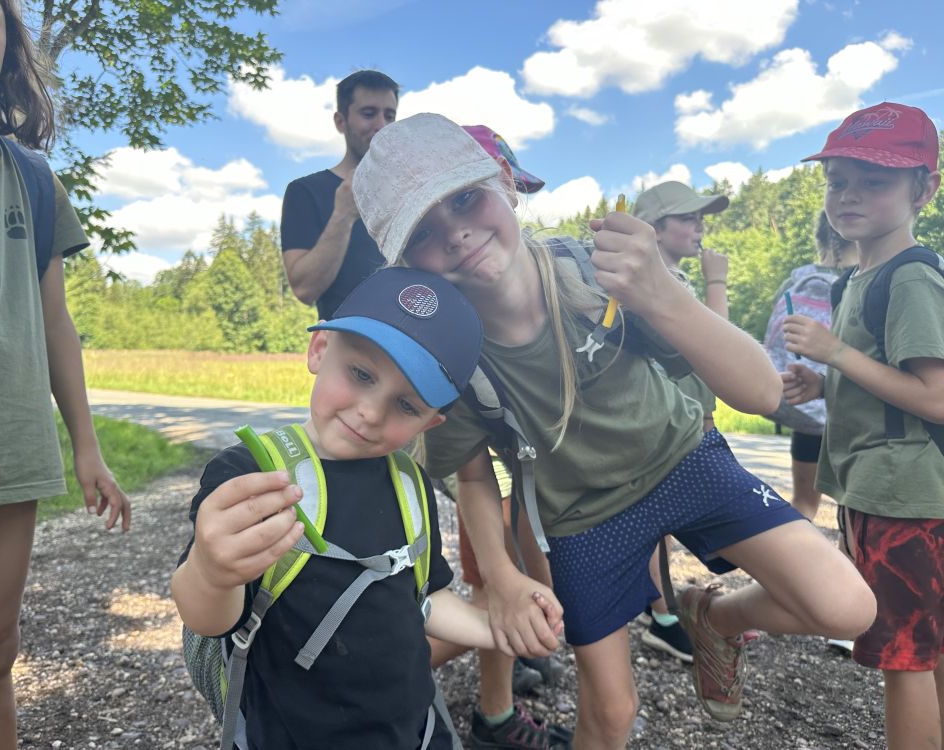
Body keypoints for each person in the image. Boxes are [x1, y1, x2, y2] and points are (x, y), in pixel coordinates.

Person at [352, 112, 876, 750]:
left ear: (505, 184)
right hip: (581, 519)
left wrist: (662, 293)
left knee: (847, 606)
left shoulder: (594, 272)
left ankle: (712, 617)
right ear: (407, 262)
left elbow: (762, 393)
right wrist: (504, 577)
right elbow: (473, 477)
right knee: (611, 715)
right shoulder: (452, 350)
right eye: (424, 232)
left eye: (465, 198)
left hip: (685, 459)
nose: (456, 232)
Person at [171, 267, 562, 749]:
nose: (371, 412)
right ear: (319, 350)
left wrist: (495, 629)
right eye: (360, 374)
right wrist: (211, 573)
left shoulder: (410, 485)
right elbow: (207, 619)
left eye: (406, 405)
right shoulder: (253, 472)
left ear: (430, 423)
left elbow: (422, 601)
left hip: (419, 733)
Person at [0, 1, 131, 748]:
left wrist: (87, 446)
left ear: (8, 44)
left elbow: (57, 324)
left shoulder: (31, 176)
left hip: (3, 445)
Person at [783, 101, 944, 750]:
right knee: (927, 643)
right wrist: (825, 382)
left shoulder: (912, 276)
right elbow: (887, 379)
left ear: (923, 191)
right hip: (878, 487)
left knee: (906, 660)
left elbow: (935, 397)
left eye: (873, 181)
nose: (848, 195)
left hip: (903, 495)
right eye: (837, 180)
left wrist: (835, 354)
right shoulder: (855, 279)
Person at [426, 125, 570, 750]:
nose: (463, 232)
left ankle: (499, 697)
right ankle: (369, 673)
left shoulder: (543, 278)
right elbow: (466, 465)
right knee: (494, 587)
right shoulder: (458, 306)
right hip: (479, 468)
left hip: (525, 475)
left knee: (524, 585)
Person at [631, 181, 731, 663]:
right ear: (654, 228)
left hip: (694, 416)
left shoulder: (674, 280)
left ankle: (662, 606)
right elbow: (719, 343)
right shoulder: (653, 285)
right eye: (688, 218)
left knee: (665, 521)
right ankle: (663, 616)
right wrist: (718, 283)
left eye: (701, 218)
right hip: (666, 423)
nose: (700, 227)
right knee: (657, 518)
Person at [280, 69, 399, 321]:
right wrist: (343, 214)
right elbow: (304, 289)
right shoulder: (304, 191)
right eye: (368, 113)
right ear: (340, 121)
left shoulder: (409, 189)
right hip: (347, 342)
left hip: (418, 339)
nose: (381, 125)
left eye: (389, 116)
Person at [765, 210, 858, 520]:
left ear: (819, 238)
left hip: (806, 411)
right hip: (856, 413)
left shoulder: (797, 280)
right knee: (854, 512)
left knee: (803, 503)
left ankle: (790, 551)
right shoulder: (866, 280)